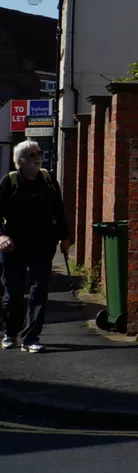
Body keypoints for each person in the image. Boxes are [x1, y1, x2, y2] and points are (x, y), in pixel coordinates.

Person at [0, 140, 71, 353]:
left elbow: (58, 211)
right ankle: (11, 333)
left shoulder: (49, 180)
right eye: (32, 155)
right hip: (13, 246)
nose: (37, 157)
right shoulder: (9, 182)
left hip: (42, 243)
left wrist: (64, 238)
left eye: (38, 153)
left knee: (39, 290)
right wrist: (1, 236)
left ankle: (31, 337)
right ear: (20, 161)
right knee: (13, 293)